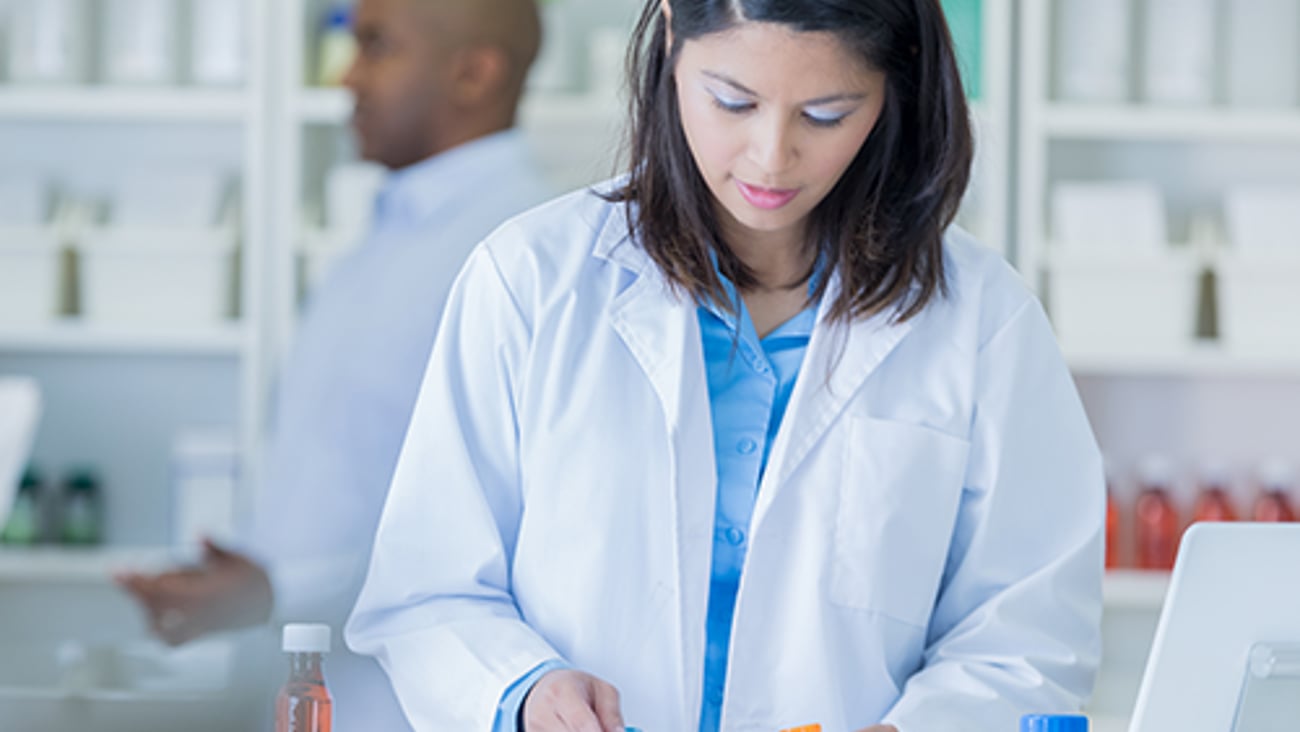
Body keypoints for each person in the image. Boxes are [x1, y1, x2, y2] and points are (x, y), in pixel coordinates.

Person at [346, 0, 1105, 730]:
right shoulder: (530, 280)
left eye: (826, 114)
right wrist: (522, 690)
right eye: (732, 102)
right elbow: (426, 593)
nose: (771, 157)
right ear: (674, 35)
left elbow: (1028, 639)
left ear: (894, 83)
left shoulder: (981, 322)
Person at [115, 0, 549, 729]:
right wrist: (250, 579)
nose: (347, 78)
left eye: (376, 48)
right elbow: (345, 478)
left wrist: (272, 591)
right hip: (305, 695)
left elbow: (492, 520)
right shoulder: (386, 240)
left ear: (473, 73)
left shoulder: (519, 255)